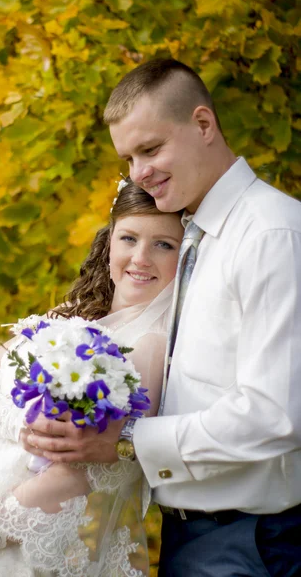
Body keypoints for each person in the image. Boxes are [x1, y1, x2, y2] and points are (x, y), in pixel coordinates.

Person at [24, 58, 301, 576]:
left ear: (203, 124)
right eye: (129, 157)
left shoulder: (270, 234)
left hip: (249, 540)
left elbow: (275, 414)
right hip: (190, 533)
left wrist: (126, 439)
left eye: (150, 149)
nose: (139, 172)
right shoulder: (195, 233)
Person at [0, 179, 184, 576]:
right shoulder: (70, 313)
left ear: (185, 255)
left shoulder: (148, 347)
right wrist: (16, 425)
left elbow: (77, 476)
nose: (140, 257)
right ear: (109, 241)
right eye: (129, 237)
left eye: (163, 245)